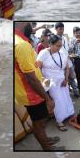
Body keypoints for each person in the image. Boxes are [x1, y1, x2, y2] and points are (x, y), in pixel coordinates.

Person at [14, 22, 61, 150]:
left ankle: (45, 139)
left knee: (41, 119)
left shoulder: (19, 40)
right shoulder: (21, 45)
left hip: (30, 90)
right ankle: (47, 148)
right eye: (29, 23)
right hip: (31, 93)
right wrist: (48, 99)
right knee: (39, 123)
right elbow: (30, 78)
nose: (31, 25)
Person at [37, 35, 74, 131]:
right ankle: (59, 120)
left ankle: (68, 114)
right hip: (49, 81)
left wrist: (66, 79)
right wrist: (44, 82)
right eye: (57, 45)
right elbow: (37, 68)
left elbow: (66, 68)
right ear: (50, 44)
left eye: (61, 45)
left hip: (62, 80)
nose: (59, 47)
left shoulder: (62, 52)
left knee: (65, 97)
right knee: (57, 100)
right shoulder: (43, 53)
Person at [55, 22, 80, 98]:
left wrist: (70, 54)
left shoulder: (65, 38)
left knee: (72, 77)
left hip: (68, 61)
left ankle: (76, 93)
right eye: (60, 29)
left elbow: (67, 49)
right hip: (61, 63)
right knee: (63, 78)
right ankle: (66, 94)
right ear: (56, 29)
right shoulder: (54, 39)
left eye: (63, 29)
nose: (62, 30)